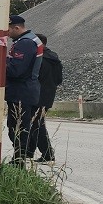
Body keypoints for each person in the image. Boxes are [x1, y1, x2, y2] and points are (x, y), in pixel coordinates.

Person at [4, 15, 43, 162]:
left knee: (17, 129)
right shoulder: (30, 39)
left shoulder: (25, 43)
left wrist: (3, 61)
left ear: (17, 27)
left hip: (21, 91)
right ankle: (19, 158)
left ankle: (19, 161)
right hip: (26, 90)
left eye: (8, 29)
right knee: (20, 128)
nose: (6, 33)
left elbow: (16, 70)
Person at [32, 33, 63, 162]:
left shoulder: (39, 58)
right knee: (35, 123)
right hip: (48, 95)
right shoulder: (54, 58)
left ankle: (47, 153)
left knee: (36, 124)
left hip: (37, 94)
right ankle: (28, 151)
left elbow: (33, 77)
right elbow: (59, 79)